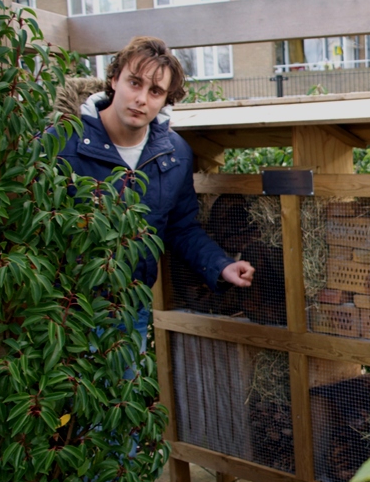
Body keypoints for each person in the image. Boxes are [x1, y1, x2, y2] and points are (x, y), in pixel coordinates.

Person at [53, 36, 254, 339]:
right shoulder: (61, 143)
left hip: (129, 310)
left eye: (156, 91)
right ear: (114, 79)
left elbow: (180, 227)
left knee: (125, 386)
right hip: (64, 311)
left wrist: (221, 265)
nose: (142, 99)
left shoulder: (174, 153)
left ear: (166, 100)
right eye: (134, 83)